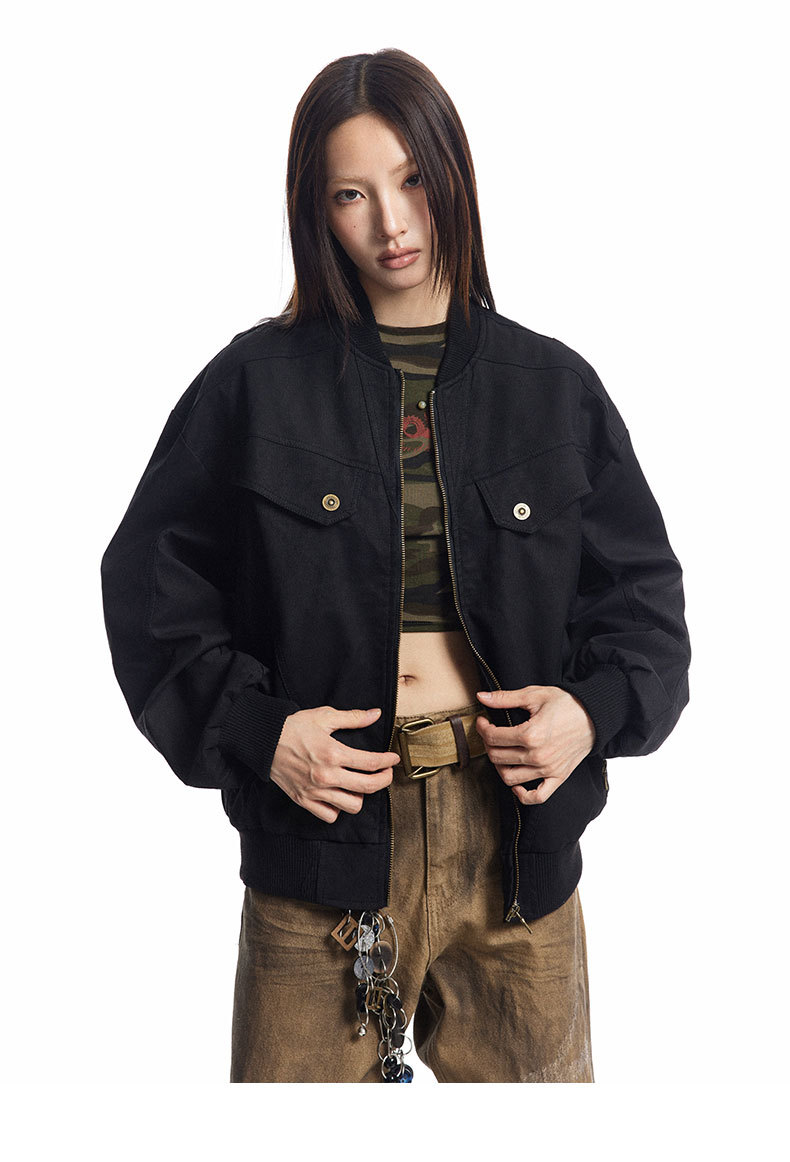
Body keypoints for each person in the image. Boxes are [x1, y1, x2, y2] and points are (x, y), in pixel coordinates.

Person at [100, 48, 691, 1083]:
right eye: (351, 194)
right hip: (323, 846)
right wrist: (258, 730)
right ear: (315, 211)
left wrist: (589, 712)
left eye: (412, 179)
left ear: (453, 172)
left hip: (516, 850)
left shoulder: (554, 388)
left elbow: (645, 611)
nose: (392, 223)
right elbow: (148, 587)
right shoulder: (253, 384)